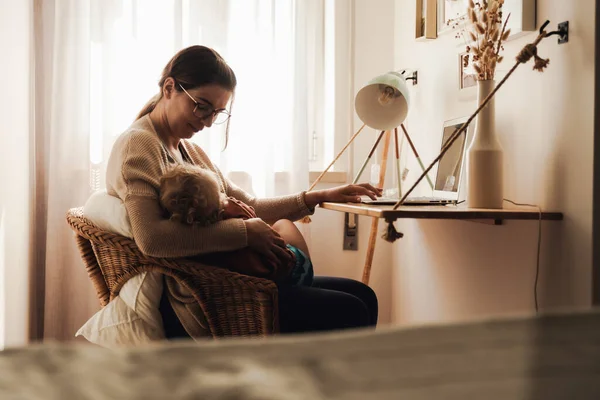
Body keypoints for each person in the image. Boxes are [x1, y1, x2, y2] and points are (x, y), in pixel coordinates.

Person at [105, 45, 380, 337]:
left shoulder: (190, 150)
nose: (208, 121)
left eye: (217, 112)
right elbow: (153, 240)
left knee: (362, 295)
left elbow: (249, 205)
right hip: (199, 297)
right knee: (351, 308)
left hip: (223, 282)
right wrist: (246, 232)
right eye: (201, 105)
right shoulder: (140, 145)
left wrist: (316, 197)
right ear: (170, 88)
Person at [159, 163, 313, 286]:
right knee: (282, 224)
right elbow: (254, 214)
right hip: (290, 268)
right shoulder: (232, 212)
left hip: (260, 280)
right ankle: (306, 275)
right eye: (220, 193)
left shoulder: (200, 241)